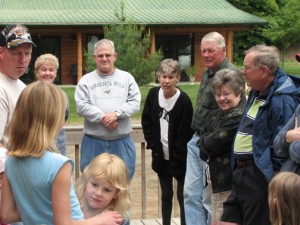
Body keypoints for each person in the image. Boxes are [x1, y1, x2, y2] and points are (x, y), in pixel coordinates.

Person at [0, 81, 122, 225]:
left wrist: (37, 209)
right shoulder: (59, 165)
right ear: (54, 120)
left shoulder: (10, 160)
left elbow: (7, 215)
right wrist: (98, 220)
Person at [220, 45, 300, 225]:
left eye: (247, 67)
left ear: (263, 71)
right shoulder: (257, 91)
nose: (243, 72)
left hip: (259, 177)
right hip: (242, 173)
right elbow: (282, 138)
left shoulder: (283, 98)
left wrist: (275, 186)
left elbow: (282, 149)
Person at [183, 31, 241, 225]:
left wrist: (209, 141)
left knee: (209, 198)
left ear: (223, 50)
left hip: (214, 147)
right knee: (191, 193)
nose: (206, 55)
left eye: (210, 51)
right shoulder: (208, 72)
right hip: (197, 140)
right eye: (203, 51)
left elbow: (232, 112)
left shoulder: (230, 75)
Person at [75, 38, 141, 180]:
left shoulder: (127, 78)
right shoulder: (86, 80)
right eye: (100, 56)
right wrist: (104, 118)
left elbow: (135, 102)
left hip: (121, 141)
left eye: (108, 55)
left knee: (121, 185)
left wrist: (116, 114)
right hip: (93, 142)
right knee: (91, 184)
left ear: (114, 56)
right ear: (94, 58)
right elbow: (81, 106)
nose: (104, 59)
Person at [141, 59, 193, 225]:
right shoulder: (153, 95)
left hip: (179, 157)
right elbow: (147, 121)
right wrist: (153, 147)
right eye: (163, 76)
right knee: (166, 194)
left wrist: (177, 158)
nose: (166, 81)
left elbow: (185, 133)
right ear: (158, 77)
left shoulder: (183, 101)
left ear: (178, 78)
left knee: (182, 194)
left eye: (171, 77)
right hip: (160, 154)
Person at [198, 68, 246, 225]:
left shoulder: (238, 115)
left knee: (222, 221)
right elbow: (202, 142)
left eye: (226, 94)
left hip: (230, 183)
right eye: (218, 94)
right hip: (216, 182)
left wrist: (206, 141)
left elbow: (212, 143)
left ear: (238, 93)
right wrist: (206, 141)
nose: (221, 98)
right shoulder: (215, 114)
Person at [0, 24, 35, 148]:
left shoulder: (22, 86)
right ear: (1, 52)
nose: (23, 60)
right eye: (16, 53)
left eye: (27, 53)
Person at [75, 153, 131, 225]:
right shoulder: (71, 208)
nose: (98, 193)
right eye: (94, 185)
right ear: (86, 181)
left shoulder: (117, 220)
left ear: (116, 193)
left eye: (107, 190)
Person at [34, 53, 69, 155]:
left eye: (51, 70)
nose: (47, 73)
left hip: (58, 145)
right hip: (35, 145)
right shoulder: (30, 93)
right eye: (43, 69)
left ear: (56, 73)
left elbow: (64, 118)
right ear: (37, 72)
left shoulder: (62, 95)